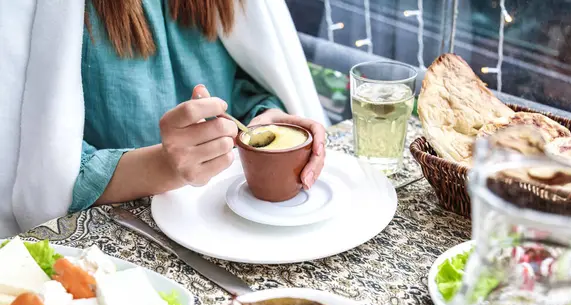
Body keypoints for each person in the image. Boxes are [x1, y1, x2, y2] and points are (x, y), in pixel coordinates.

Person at [0, 0, 328, 237]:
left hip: (221, 220)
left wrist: (267, 119)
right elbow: (39, 169)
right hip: (114, 237)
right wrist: (163, 166)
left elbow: (246, 82)